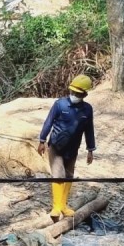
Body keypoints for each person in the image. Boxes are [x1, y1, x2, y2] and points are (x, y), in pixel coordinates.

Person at [38, 74, 96, 218]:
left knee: (69, 176)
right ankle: (56, 207)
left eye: (77, 93)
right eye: (72, 92)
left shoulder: (87, 110)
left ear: (84, 94)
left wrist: (90, 150)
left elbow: (89, 130)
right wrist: (42, 140)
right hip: (56, 147)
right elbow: (48, 122)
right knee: (58, 175)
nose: (74, 95)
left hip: (73, 149)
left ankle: (63, 206)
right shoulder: (60, 104)